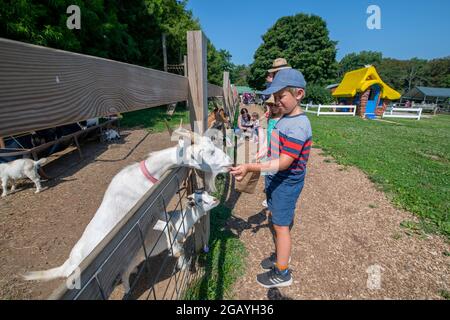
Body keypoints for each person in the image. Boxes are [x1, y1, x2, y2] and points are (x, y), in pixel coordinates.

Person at [230, 68, 312, 288]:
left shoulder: (299, 126)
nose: (277, 102)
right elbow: (276, 147)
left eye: (281, 96)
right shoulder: (285, 119)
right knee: (277, 221)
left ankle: (283, 272)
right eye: (275, 97)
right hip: (277, 179)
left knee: (281, 226)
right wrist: (264, 153)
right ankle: (279, 256)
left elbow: (285, 162)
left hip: (286, 182)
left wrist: (251, 166)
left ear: (299, 94)